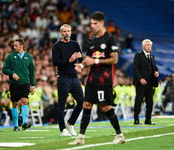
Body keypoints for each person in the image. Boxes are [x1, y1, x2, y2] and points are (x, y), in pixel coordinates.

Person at [69, 11, 125, 145]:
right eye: (91, 23)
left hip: (104, 79)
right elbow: (88, 58)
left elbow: (114, 60)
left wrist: (96, 62)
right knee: (86, 105)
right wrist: (81, 67)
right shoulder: (91, 39)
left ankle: (119, 134)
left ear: (102, 23)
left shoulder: (110, 38)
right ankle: (81, 137)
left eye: (95, 23)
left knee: (105, 107)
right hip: (92, 79)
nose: (92, 26)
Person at [52, 24, 84, 136]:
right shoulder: (57, 46)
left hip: (74, 77)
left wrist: (80, 58)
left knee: (82, 102)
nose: (67, 33)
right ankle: (62, 130)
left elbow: (81, 59)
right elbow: (55, 62)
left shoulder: (75, 44)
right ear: (61, 33)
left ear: (71, 32)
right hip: (63, 77)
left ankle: (70, 123)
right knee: (62, 104)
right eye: (64, 31)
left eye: (68, 31)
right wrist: (69, 60)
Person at [2, 38, 35, 131]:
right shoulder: (10, 56)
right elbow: (4, 69)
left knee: (25, 102)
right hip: (14, 84)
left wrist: (32, 85)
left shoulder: (29, 57)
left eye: (16, 45)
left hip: (25, 83)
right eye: (14, 45)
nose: (14, 47)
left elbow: (32, 72)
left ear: (21, 46)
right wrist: (12, 73)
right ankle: (16, 125)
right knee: (15, 104)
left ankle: (24, 123)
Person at [133, 39, 159, 125]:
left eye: (150, 45)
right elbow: (135, 68)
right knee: (139, 101)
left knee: (150, 102)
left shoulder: (152, 56)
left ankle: (148, 119)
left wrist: (156, 72)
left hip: (150, 83)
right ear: (143, 46)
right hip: (141, 83)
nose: (149, 47)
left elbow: (155, 67)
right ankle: (136, 119)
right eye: (147, 45)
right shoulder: (138, 55)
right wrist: (140, 79)